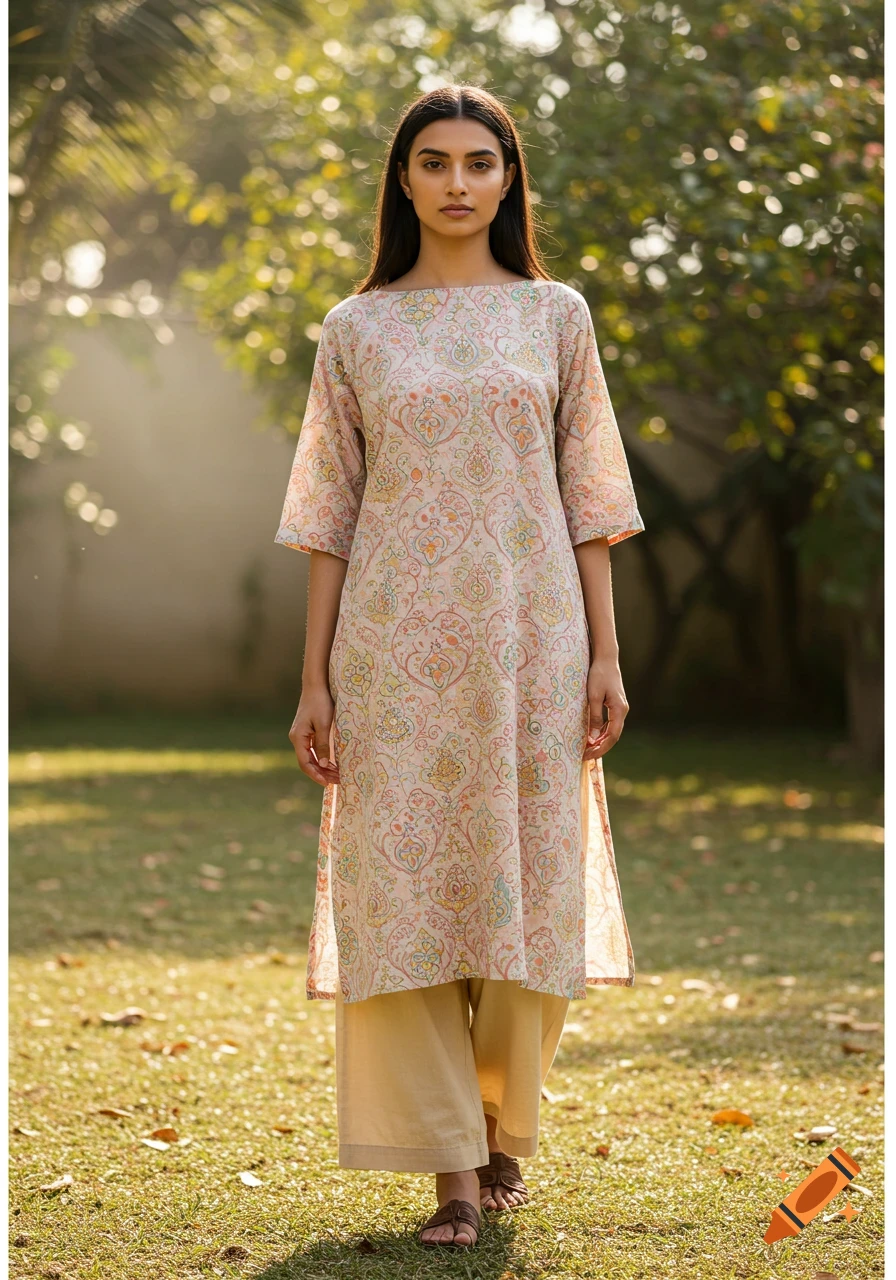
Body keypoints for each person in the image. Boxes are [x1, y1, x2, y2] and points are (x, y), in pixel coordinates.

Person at [276, 84, 645, 1251]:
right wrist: (314, 678)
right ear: (402, 179)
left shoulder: (553, 314)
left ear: (507, 178)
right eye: (432, 162)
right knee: (408, 898)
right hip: (391, 652)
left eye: (478, 162)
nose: (455, 182)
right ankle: (451, 1174)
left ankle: (498, 1134)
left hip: (533, 642)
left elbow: (590, 496)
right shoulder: (355, 328)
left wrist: (604, 650)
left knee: (523, 888)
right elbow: (327, 515)